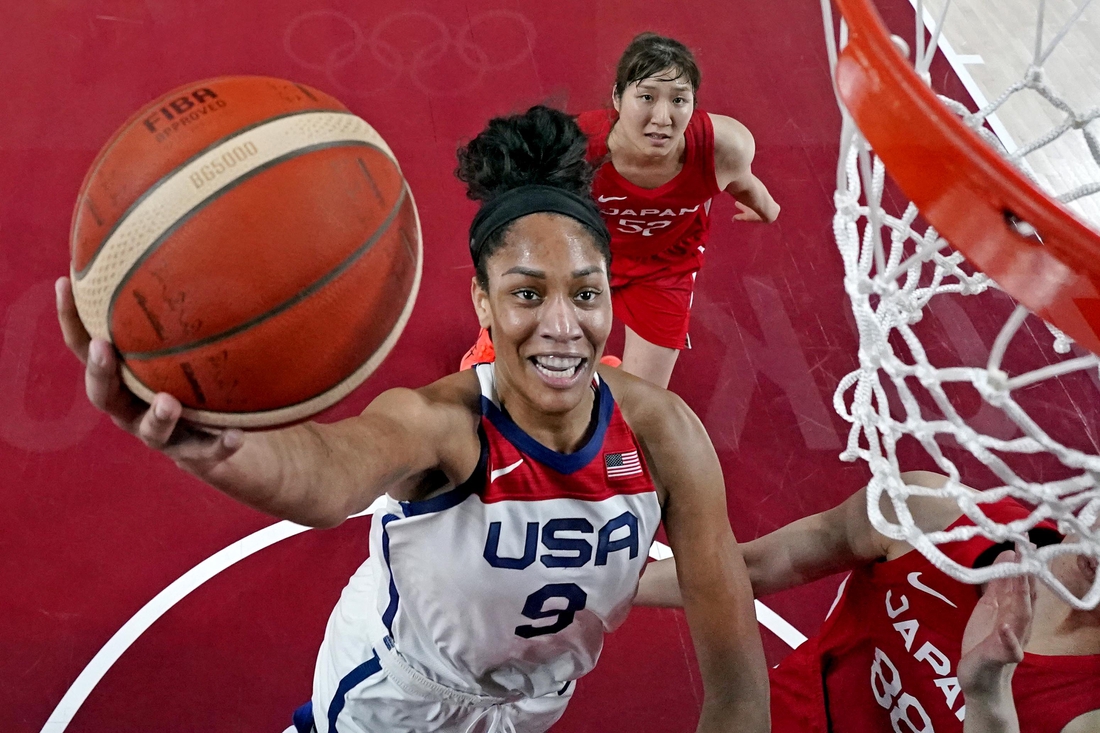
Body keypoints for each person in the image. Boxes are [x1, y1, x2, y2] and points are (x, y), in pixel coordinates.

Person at [56, 106, 769, 733]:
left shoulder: (666, 436)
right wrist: (211, 449)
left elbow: (738, 690)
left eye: (585, 294)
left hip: (534, 707)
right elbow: (329, 472)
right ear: (484, 305)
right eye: (526, 293)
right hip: (397, 701)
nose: (562, 325)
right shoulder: (444, 423)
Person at [635, 471, 1100, 733]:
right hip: (780, 717)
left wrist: (986, 698)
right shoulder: (935, 513)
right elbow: (758, 567)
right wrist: (602, 590)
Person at [461, 32, 781, 388]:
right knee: (517, 352)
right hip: (583, 256)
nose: (662, 117)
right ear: (617, 97)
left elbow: (744, 182)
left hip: (664, 266)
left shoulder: (723, 148)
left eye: (679, 100)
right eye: (646, 97)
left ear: (694, 104)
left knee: (646, 397)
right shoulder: (578, 147)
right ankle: (489, 346)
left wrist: (767, 209)